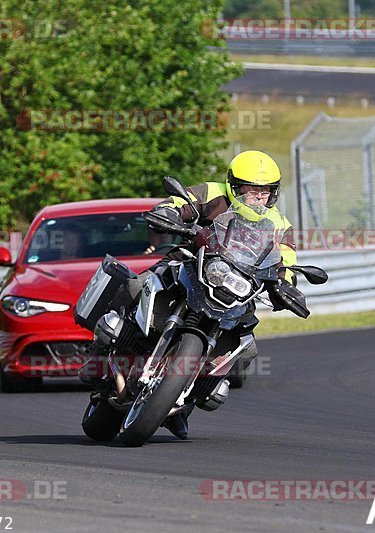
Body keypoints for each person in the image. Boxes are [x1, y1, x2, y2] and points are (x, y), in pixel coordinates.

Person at [82, 150, 302, 439]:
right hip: (190, 262)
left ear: (273, 193)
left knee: (245, 344)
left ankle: (182, 406)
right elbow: (179, 201)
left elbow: (286, 258)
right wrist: (168, 213)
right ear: (234, 186)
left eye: (264, 192)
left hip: (238, 286)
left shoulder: (279, 224)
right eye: (250, 190)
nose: (256, 198)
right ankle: (98, 355)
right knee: (137, 284)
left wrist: (286, 284)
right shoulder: (213, 192)